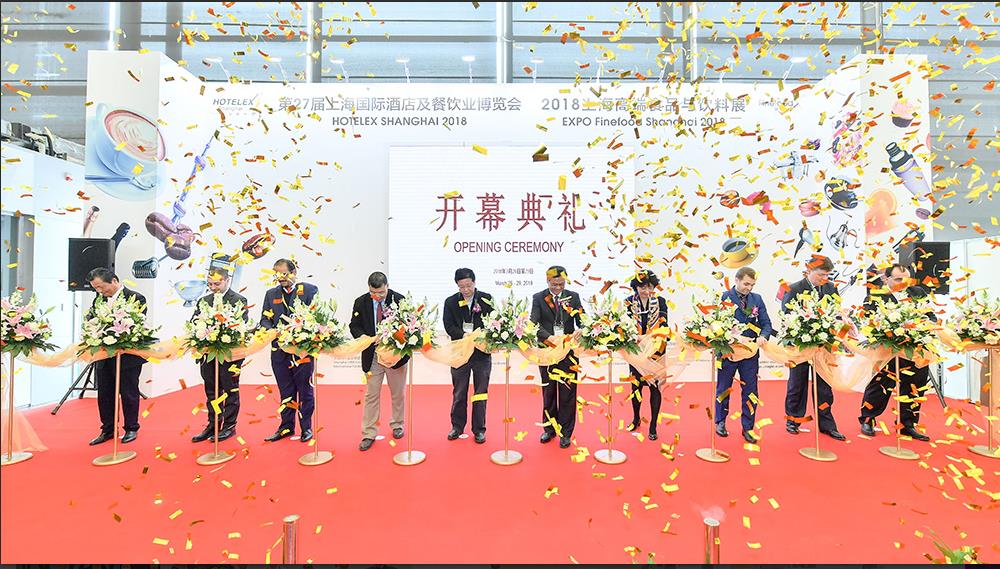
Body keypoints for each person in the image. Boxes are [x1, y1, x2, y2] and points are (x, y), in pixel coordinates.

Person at [858, 264, 936, 441]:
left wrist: (922, 326)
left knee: (915, 387)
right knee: (881, 385)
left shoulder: (918, 292)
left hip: (915, 349)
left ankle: (907, 424)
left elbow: (931, 316)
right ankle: (868, 419)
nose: (903, 283)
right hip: (889, 350)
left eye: (907, 279)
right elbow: (869, 321)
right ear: (886, 279)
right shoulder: (875, 295)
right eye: (898, 279)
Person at [781, 255, 846, 441]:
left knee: (824, 386)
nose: (824, 278)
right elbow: (787, 316)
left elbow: (837, 314)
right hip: (801, 345)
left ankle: (827, 425)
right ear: (809, 270)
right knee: (797, 384)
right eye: (820, 274)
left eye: (827, 275)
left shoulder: (831, 288)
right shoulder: (794, 288)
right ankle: (793, 420)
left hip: (824, 346)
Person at [85, 268, 147, 446]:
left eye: (101, 287)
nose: (99, 291)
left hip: (128, 355)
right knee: (105, 393)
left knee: (128, 392)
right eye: (95, 288)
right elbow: (91, 320)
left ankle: (131, 428)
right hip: (104, 354)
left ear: (113, 280)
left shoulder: (136, 297)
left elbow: (137, 324)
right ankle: (108, 429)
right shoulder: (98, 300)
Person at [258, 259, 318, 443]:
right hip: (279, 352)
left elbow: (316, 317)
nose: (280, 277)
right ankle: (286, 427)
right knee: (285, 391)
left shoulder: (309, 290)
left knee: (304, 390)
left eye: (284, 273)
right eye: (277, 274)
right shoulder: (271, 294)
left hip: (301, 351)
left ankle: (306, 427)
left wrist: (299, 330)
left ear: (294, 272)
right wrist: (272, 329)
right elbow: (264, 319)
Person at [350, 271, 409, 451]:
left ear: (387, 286)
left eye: (381, 292)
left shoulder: (399, 300)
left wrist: (394, 338)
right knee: (371, 395)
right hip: (373, 356)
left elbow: (408, 326)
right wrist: (365, 337)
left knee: (397, 393)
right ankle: (369, 433)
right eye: (373, 293)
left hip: (394, 356)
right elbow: (354, 326)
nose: (377, 296)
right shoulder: (361, 302)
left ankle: (397, 424)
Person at [716, 267, 773, 443]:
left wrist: (764, 336)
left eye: (752, 285)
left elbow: (766, 324)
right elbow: (716, 324)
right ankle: (720, 421)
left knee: (751, 391)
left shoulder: (757, 299)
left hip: (750, 353)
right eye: (746, 284)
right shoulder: (724, 297)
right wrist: (731, 338)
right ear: (737, 280)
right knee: (723, 388)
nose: (749, 288)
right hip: (728, 352)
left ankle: (748, 427)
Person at [190, 269, 248, 443]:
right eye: (210, 284)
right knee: (211, 390)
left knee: (230, 389)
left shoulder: (239, 300)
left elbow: (241, 326)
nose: (213, 287)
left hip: (230, 354)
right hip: (208, 354)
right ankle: (213, 424)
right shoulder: (204, 301)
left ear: (226, 280)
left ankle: (229, 425)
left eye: (217, 284)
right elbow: (194, 322)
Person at [530, 265, 584, 449]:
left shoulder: (574, 297)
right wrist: (549, 337)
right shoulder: (538, 298)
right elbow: (534, 324)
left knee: (568, 392)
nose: (558, 288)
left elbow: (582, 320)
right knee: (549, 391)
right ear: (548, 281)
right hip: (546, 352)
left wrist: (582, 329)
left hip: (568, 351)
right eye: (554, 284)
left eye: (561, 284)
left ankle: (565, 432)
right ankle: (549, 428)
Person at [442, 268, 494, 443]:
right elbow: (448, 325)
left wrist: (479, 336)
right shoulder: (450, 302)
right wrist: (464, 335)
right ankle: (457, 427)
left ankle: (479, 429)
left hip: (481, 354)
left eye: (468, 285)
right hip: (460, 353)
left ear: (474, 282)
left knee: (480, 393)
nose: (465, 290)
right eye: (461, 286)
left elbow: (493, 323)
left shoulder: (486, 299)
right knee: (459, 392)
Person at [623, 270, 668, 441]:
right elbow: (624, 327)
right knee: (636, 386)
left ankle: (653, 425)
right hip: (635, 350)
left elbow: (664, 327)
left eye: (650, 287)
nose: (646, 291)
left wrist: (647, 338)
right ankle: (636, 418)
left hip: (656, 350)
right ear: (635, 287)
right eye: (642, 287)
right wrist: (635, 337)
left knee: (655, 387)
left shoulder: (660, 301)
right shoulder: (628, 302)